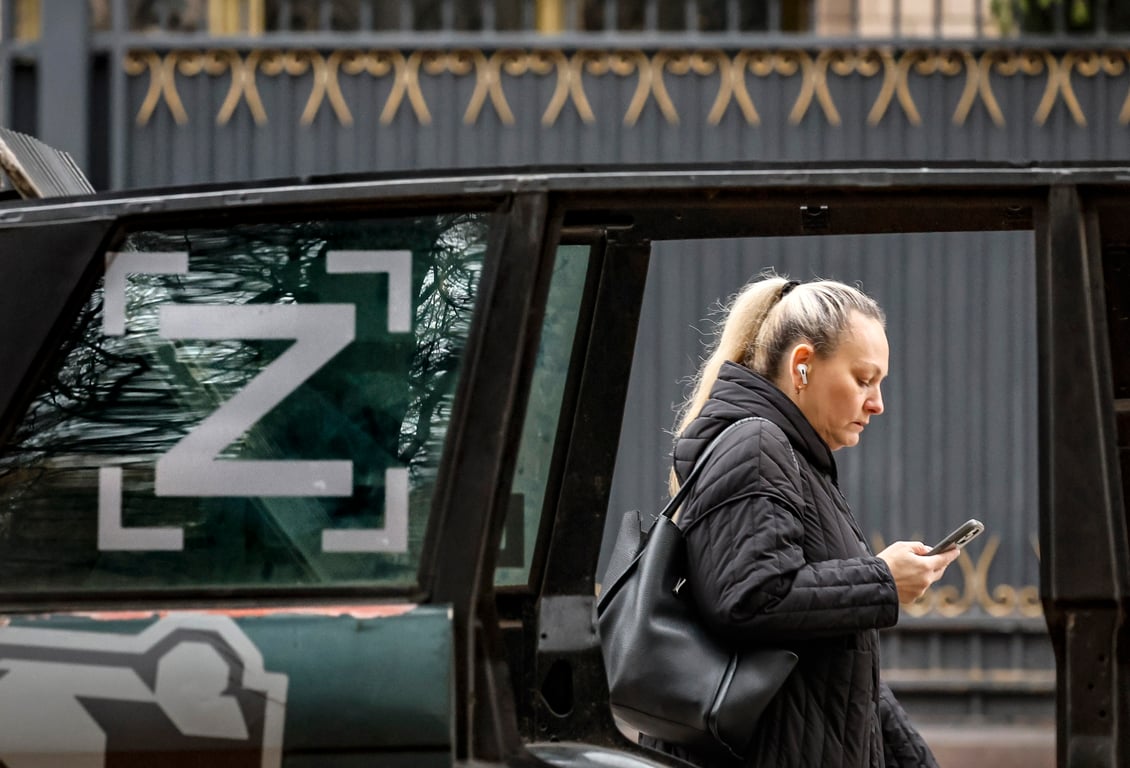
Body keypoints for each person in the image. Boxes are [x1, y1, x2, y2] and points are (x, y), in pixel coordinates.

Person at [644, 274, 961, 768]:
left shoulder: (794, 457)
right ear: (803, 366)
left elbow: (840, 667)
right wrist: (882, 580)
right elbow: (750, 597)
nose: (877, 403)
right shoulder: (757, 447)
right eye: (863, 379)